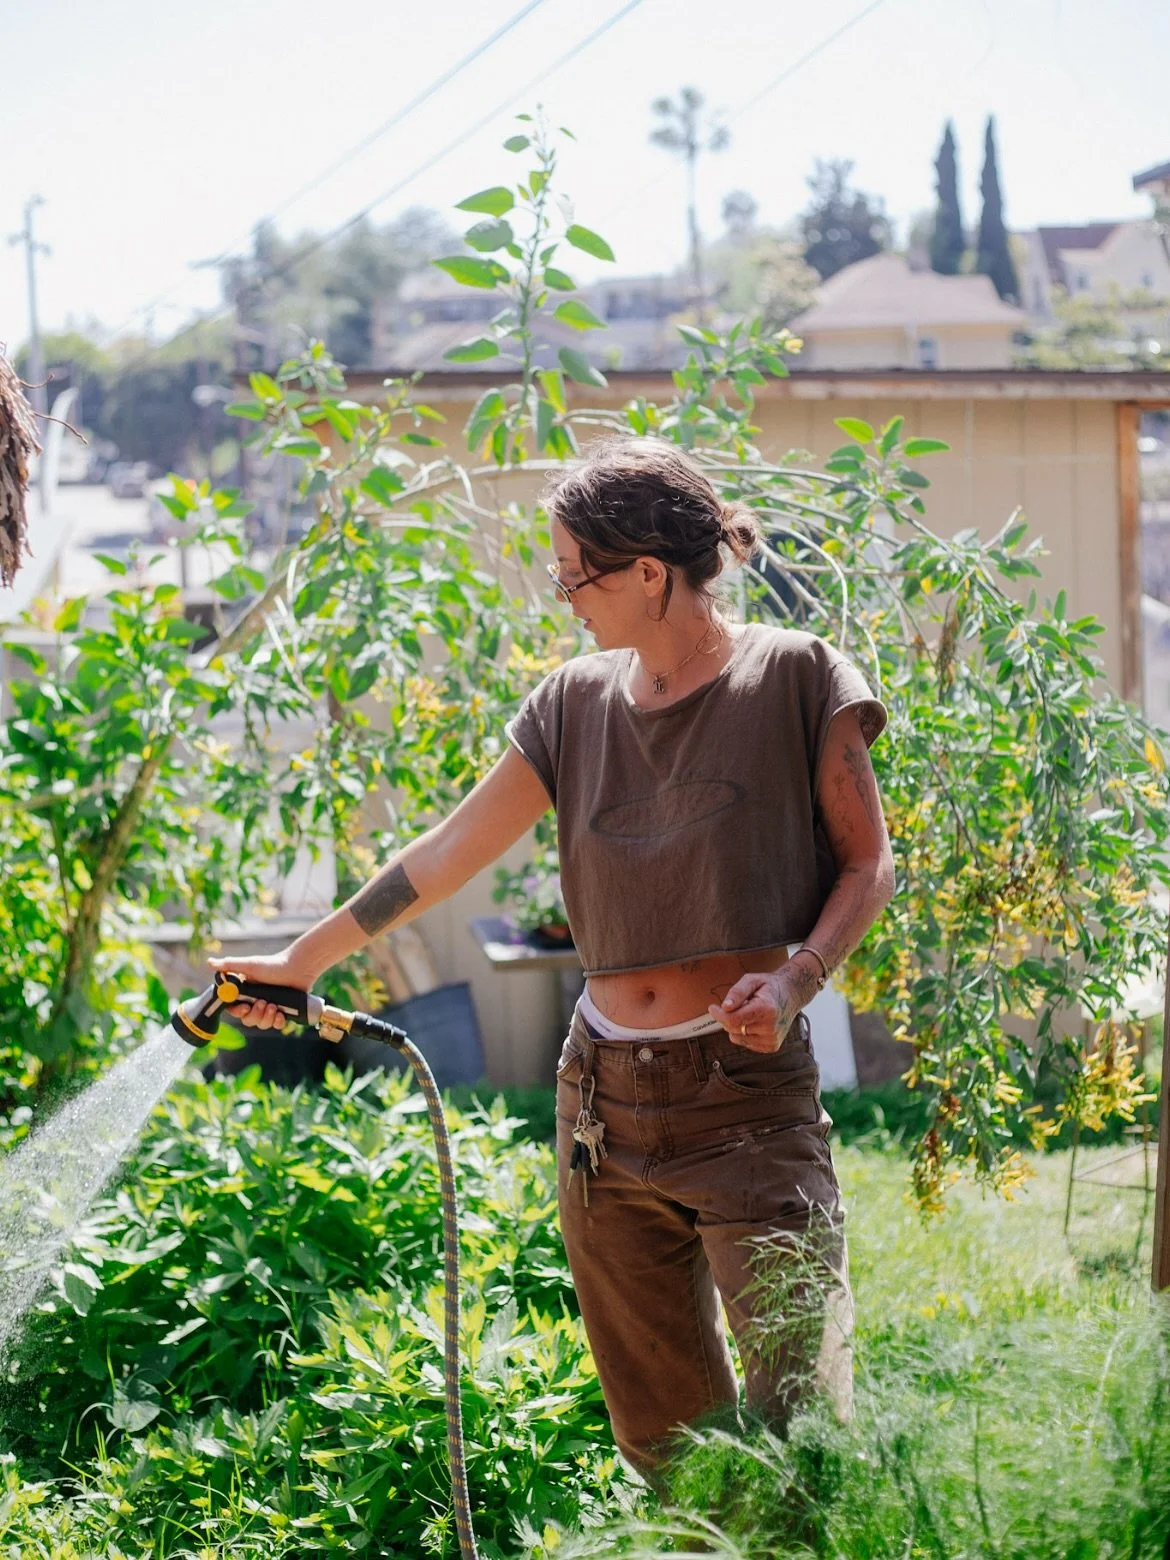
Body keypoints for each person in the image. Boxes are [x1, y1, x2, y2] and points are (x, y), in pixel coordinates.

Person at [211, 435, 894, 1482]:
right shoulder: (571, 705)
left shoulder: (795, 677)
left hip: (745, 1099)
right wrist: (302, 961)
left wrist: (799, 979)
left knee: (804, 1430)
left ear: (650, 574)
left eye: (577, 571)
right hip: (603, 1109)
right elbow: (441, 854)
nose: (564, 594)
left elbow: (870, 865)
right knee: (669, 1445)